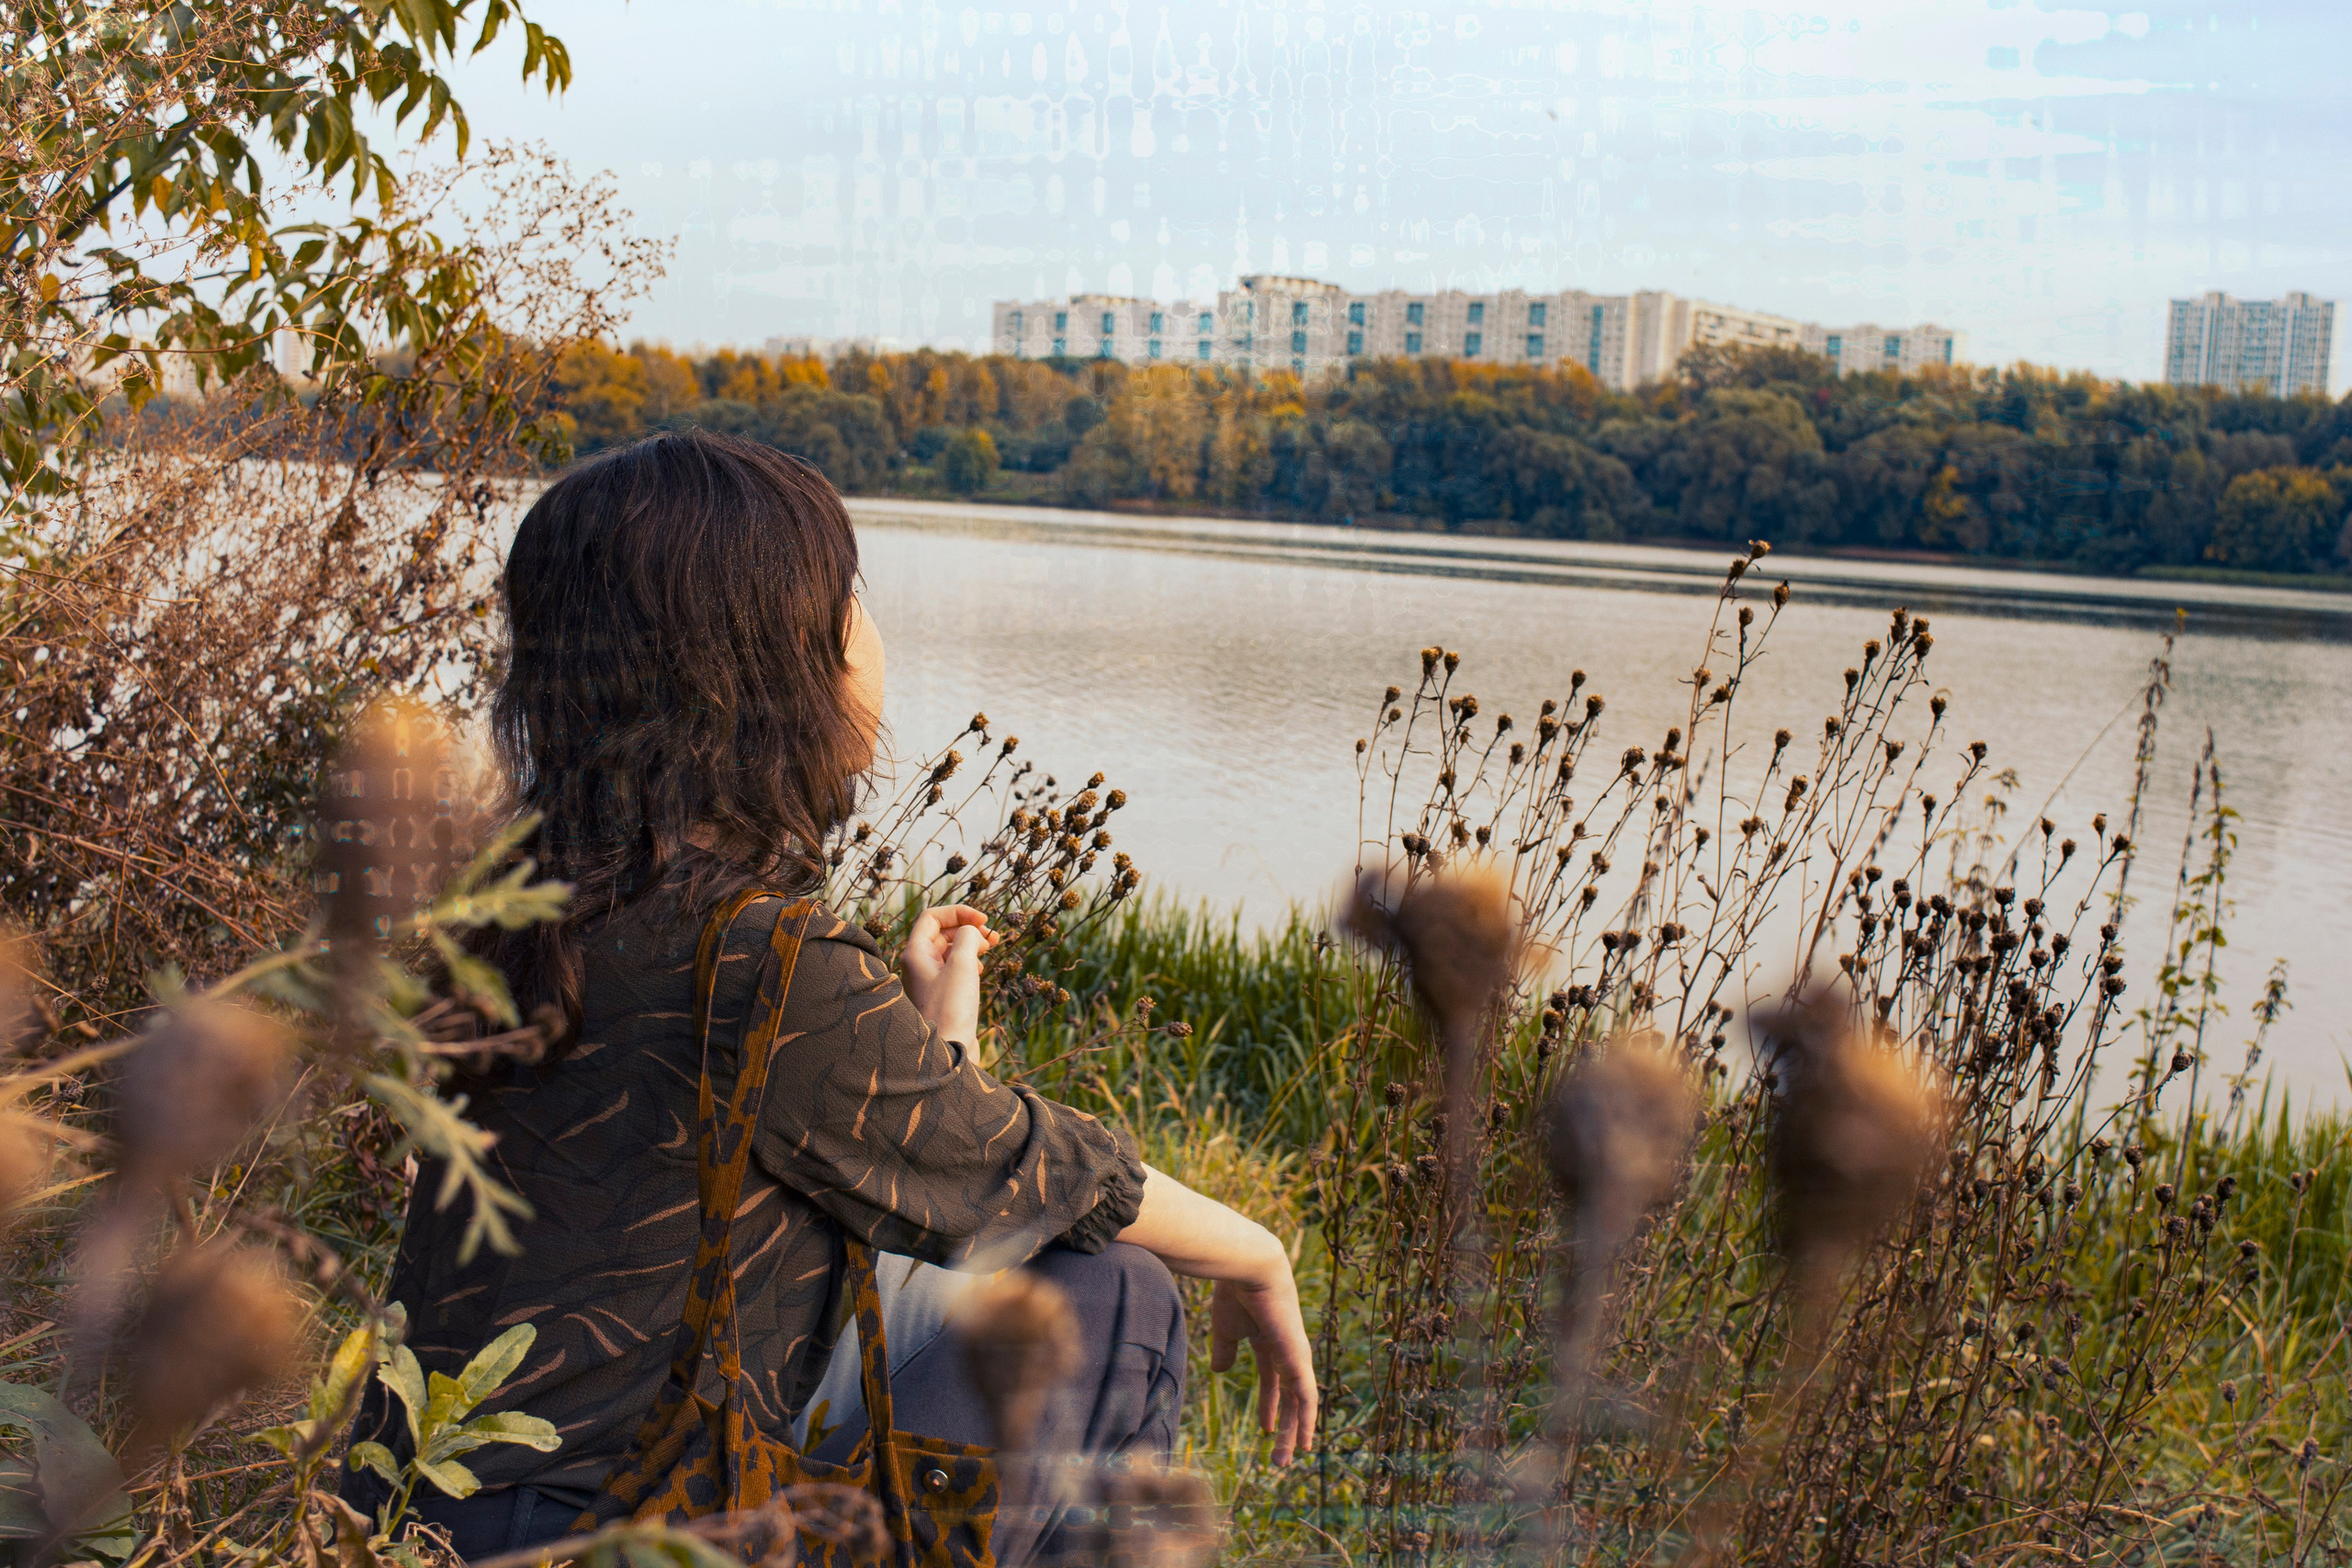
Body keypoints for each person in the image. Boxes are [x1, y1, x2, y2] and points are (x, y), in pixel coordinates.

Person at [339, 429, 1317, 1559]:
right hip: (605, 1533)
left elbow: (905, 1177)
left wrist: (924, 1033)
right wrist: (1256, 1251)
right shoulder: (755, 956)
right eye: (848, 601)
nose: (870, 635)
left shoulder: (521, 908)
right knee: (1117, 1296)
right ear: (764, 667)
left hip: (419, 1508)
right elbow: (1033, 1179)